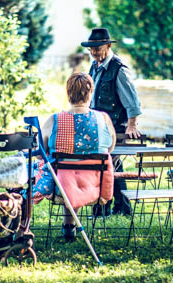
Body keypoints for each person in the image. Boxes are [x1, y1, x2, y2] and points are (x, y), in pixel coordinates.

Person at [32, 72, 116, 240]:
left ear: (68, 93)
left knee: (58, 172)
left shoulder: (54, 120)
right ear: (90, 92)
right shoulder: (103, 119)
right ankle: (69, 224)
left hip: (59, 186)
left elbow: (40, 154)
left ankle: (20, 224)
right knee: (74, 173)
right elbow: (110, 148)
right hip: (94, 185)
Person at [81, 28, 142, 216]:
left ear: (108, 46)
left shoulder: (119, 69)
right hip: (99, 126)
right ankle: (122, 207)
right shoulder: (95, 66)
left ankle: (103, 208)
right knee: (112, 165)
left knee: (104, 165)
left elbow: (132, 101)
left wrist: (131, 125)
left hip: (115, 128)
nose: (93, 52)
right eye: (91, 49)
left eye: (97, 48)